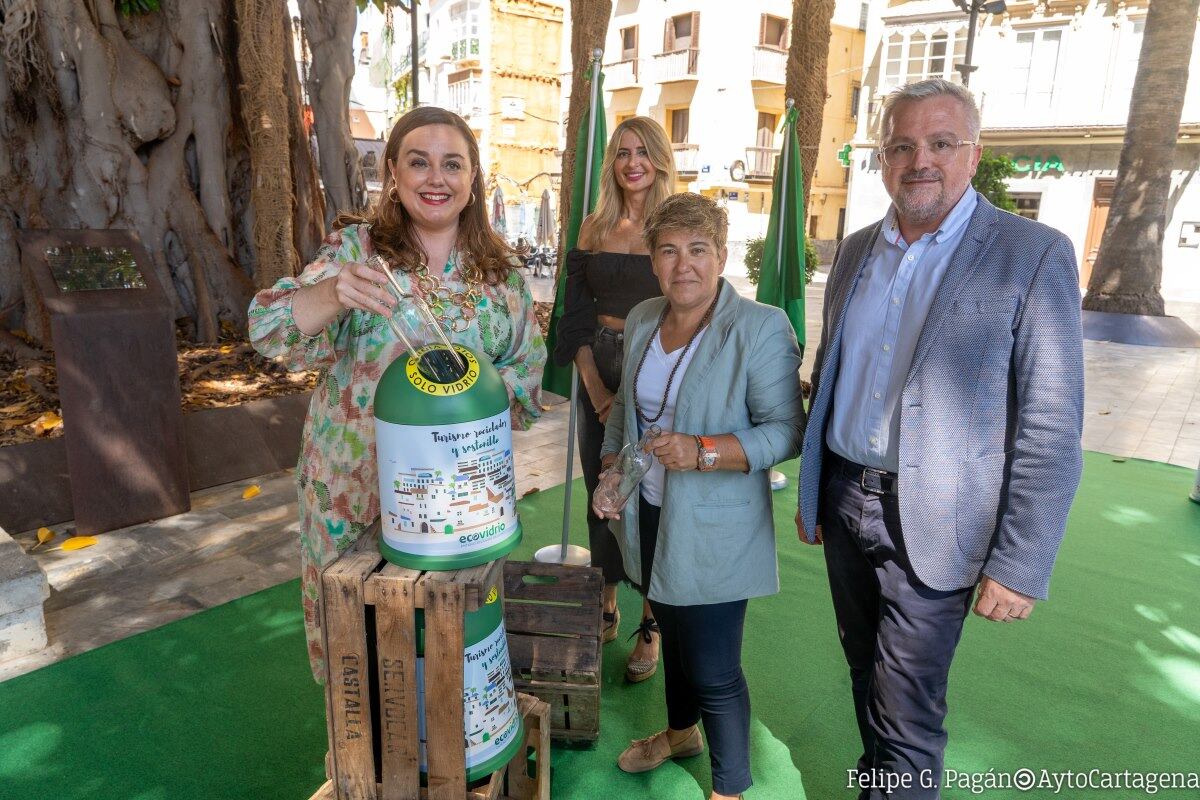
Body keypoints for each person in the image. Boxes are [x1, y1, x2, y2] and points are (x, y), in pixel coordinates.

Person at [796, 78, 1084, 799]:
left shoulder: (1034, 253)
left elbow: (1051, 421)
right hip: (843, 501)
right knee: (866, 675)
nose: (919, 160)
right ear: (882, 158)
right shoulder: (856, 251)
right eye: (901, 145)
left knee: (907, 713)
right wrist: (814, 490)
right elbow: (835, 373)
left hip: (938, 521)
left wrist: (1021, 562)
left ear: (974, 153)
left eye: (940, 143)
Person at [249, 106, 546, 682]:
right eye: (419, 162)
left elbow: (526, 377)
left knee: (450, 642)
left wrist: (462, 413)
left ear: (472, 179)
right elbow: (268, 331)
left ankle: (454, 756)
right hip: (354, 491)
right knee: (357, 645)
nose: (436, 178)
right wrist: (334, 294)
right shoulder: (355, 253)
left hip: (457, 505)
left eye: (452, 164)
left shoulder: (501, 272)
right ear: (392, 171)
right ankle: (363, 760)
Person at [596, 193, 804, 800]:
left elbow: (786, 431)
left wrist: (704, 450)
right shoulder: (641, 319)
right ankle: (682, 733)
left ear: (721, 256)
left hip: (716, 524)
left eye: (698, 250)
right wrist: (614, 470)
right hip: (652, 512)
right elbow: (623, 419)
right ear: (653, 261)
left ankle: (729, 789)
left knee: (714, 668)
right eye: (668, 251)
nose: (683, 264)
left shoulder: (759, 327)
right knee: (676, 638)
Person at [553, 116, 677, 682]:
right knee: (600, 486)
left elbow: (689, 304)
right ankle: (606, 606)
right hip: (596, 360)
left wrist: (630, 393)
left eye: (643, 152)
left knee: (648, 495)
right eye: (623, 152)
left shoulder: (672, 225)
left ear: (658, 160)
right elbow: (572, 313)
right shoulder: (592, 226)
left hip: (655, 364)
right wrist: (597, 388)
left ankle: (650, 625)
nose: (632, 162)